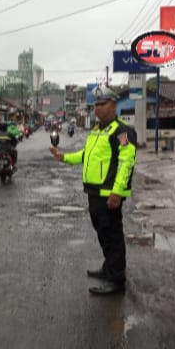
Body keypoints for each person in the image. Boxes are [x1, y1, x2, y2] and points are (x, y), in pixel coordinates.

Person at [49, 85, 137, 295]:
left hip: (109, 194)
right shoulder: (97, 130)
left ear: (113, 105)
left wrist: (117, 192)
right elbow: (85, 155)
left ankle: (116, 279)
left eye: (102, 104)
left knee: (112, 236)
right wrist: (63, 157)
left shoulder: (122, 132)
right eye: (95, 105)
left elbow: (126, 163)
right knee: (103, 234)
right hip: (94, 193)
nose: (97, 108)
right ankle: (108, 269)